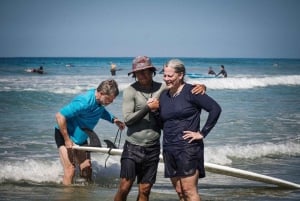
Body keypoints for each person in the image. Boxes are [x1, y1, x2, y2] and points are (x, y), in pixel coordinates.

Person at [114, 56, 206, 201]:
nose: (142, 75)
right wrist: (147, 108)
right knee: (124, 187)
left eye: (145, 71)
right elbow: (128, 120)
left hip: (153, 147)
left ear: (152, 71)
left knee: (145, 190)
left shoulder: (163, 87)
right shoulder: (130, 91)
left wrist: (201, 87)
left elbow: (181, 86)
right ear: (134, 74)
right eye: (138, 72)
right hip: (133, 147)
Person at [159, 59, 221, 201]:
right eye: (165, 75)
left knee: (189, 191)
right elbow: (163, 122)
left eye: (170, 76)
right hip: (169, 148)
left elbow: (215, 109)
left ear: (180, 75)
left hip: (188, 148)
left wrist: (202, 133)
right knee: (180, 191)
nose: (166, 79)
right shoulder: (164, 95)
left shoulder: (192, 91)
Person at [55, 79, 126, 185]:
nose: (110, 102)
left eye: (112, 100)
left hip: (81, 138)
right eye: (109, 99)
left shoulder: (100, 102)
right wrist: (67, 140)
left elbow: (99, 111)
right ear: (101, 93)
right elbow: (60, 116)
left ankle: (84, 195)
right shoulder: (84, 102)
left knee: (87, 170)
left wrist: (113, 119)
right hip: (65, 135)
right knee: (70, 170)